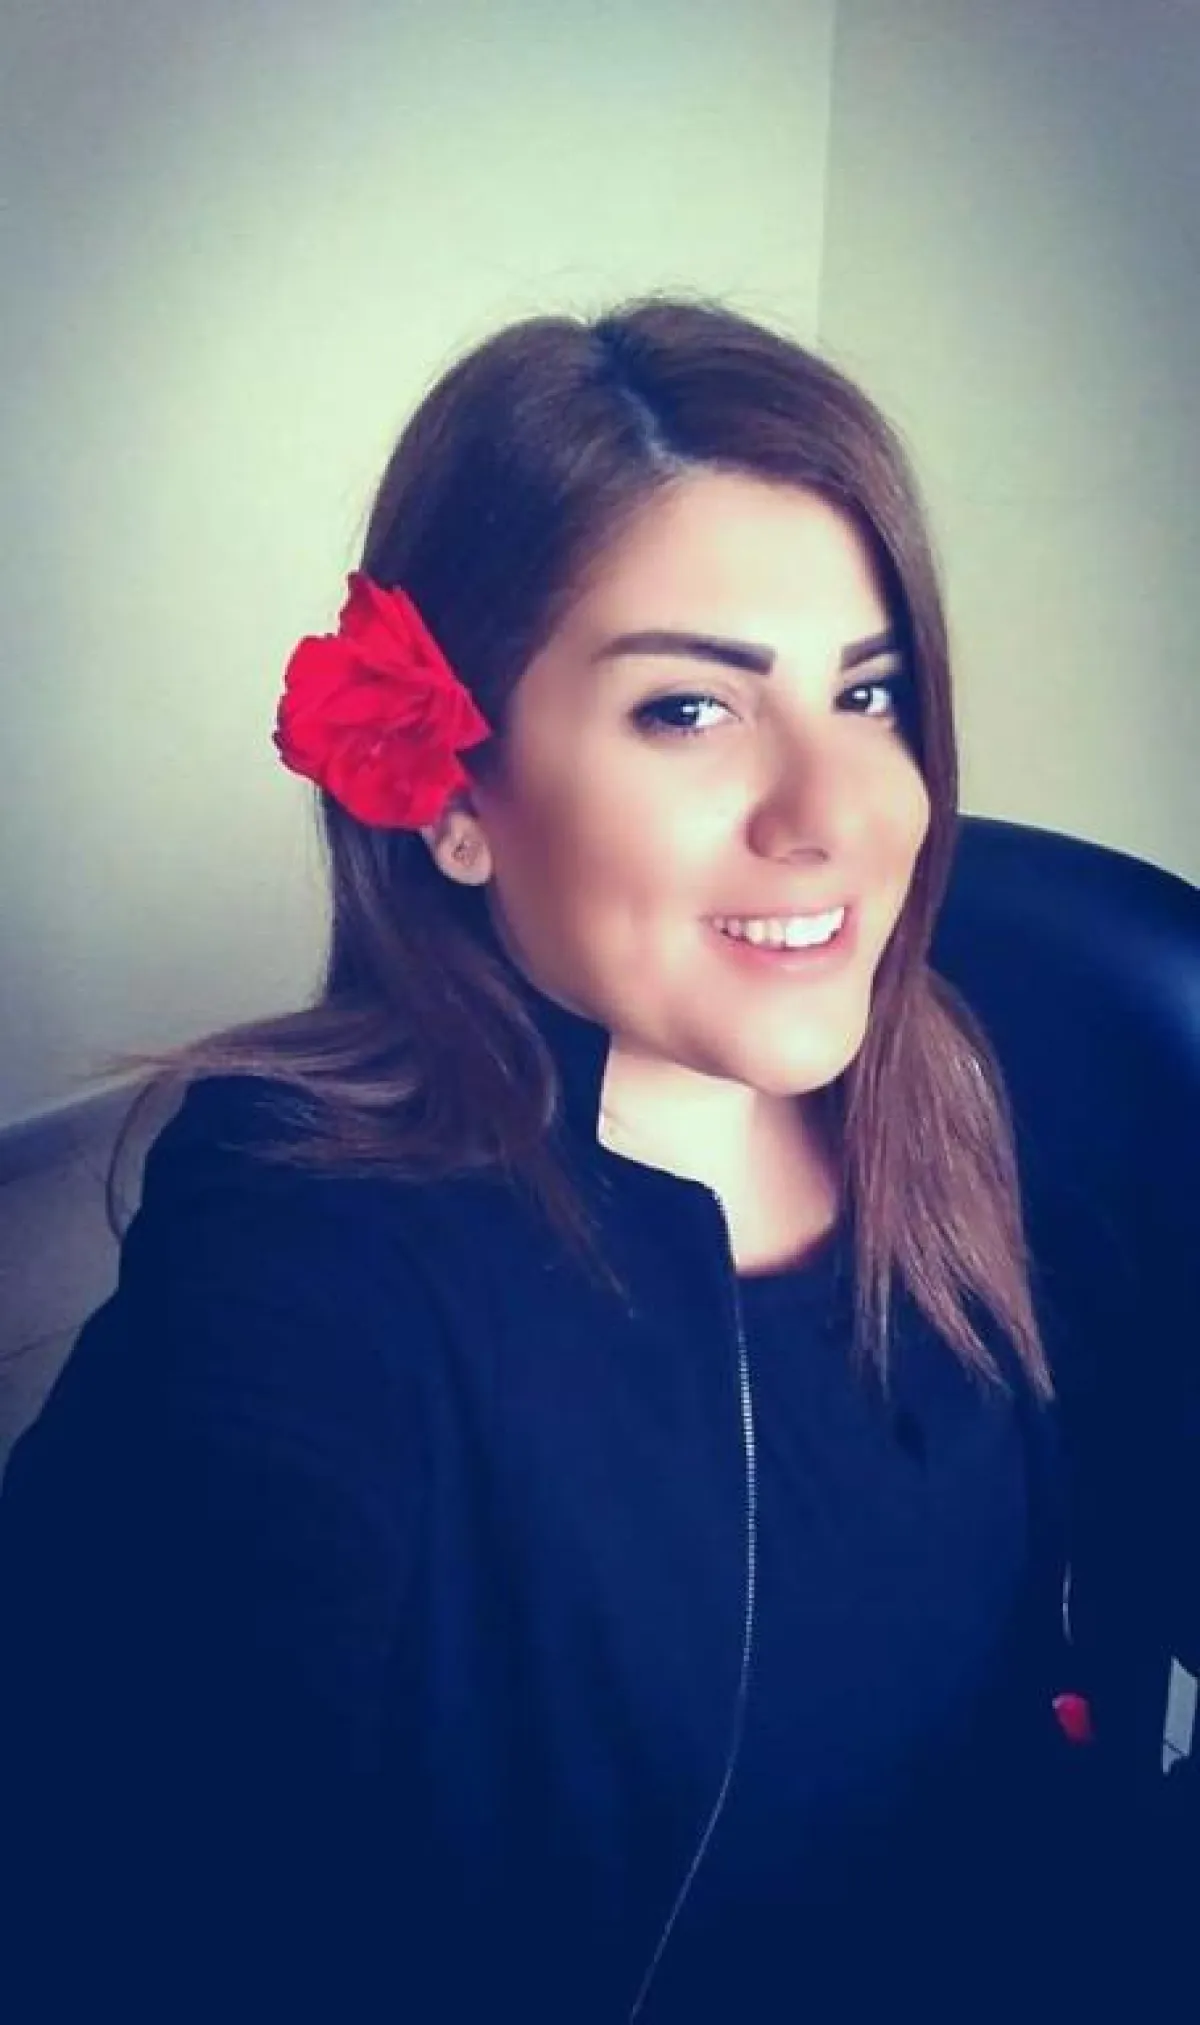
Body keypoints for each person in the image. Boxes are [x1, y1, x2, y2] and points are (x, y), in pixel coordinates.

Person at [0, 298, 1183, 2023]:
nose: (837, 813)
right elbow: (108, 1861)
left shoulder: (951, 1088)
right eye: (688, 710)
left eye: (869, 693)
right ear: (454, 797)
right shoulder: (303, 1246)